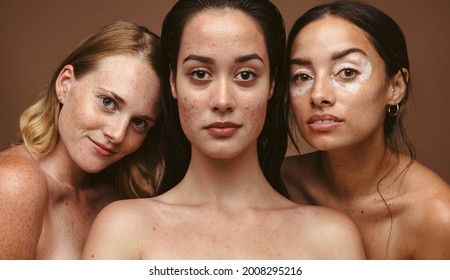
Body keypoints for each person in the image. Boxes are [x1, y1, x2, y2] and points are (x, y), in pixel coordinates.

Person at [82, 0, 365, 260]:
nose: (222, 101)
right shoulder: (122, 229)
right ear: (172, 82)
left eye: (245, 75)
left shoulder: (332, 239)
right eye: (200, 74)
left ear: (272, 84)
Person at [282, 0, 450, 259]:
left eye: (346, 72)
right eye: (302, 76)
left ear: (395, 87)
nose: (318, 95)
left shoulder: (436, 216)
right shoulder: (277, 184)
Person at [0, 20, 165, 259]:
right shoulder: (13, 183)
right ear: (65, 84)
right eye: (108, 102)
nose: (117, 134)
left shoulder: (116, 202)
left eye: (139, 122)